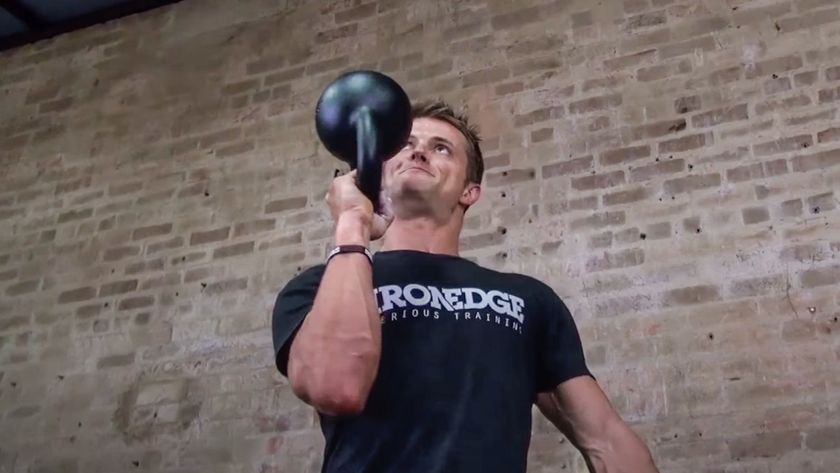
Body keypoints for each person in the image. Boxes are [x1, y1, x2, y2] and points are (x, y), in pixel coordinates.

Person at [271, 100, 660, 473]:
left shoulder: (528, 299)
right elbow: (335, 386)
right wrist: (353, 223)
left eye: (441, 148)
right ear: (377, 173)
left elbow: (605, 439)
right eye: (404, 145)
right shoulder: (320, 285)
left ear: (469, 191)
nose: (419, 152)